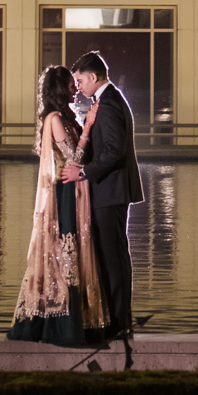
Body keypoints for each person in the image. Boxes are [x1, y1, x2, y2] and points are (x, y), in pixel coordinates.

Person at [8, 65, 108, 346]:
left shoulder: (64, 116)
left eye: (76, 84)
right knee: (65, 253)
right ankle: (60, 324)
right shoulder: (54, 118)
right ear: (59, 89)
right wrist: (87, 128)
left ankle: (84, 319)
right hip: (66, 190)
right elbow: (74, 157)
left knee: (72, 252)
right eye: (70, 84)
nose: (75, 88)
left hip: (75, 188)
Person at [60, 50, 142, 343]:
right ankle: (118, 320)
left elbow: (113, 153)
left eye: (80, 80)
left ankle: (119, 323)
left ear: (93, 77)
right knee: (113, 256)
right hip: (111, 190)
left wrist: (81, 173)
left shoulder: (107, 104)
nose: (78, 87)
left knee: (114, 258)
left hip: (110, 191)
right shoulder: (108, 101)